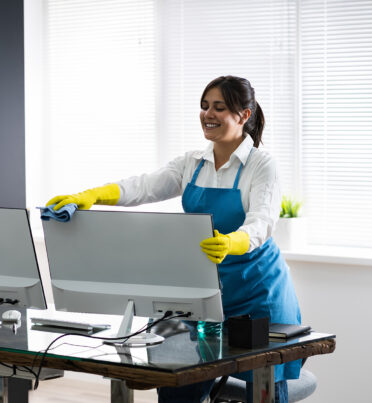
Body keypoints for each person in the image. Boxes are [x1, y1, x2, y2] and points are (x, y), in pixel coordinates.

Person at [46, 75, 301, 403]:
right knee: (179, 382)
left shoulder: (262, 165)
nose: (208, 114)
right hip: (206, 293)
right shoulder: (192, 163)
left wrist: (232, 242)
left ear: (244, 115)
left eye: (219, 108)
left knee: (262, 386)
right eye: (204, 106)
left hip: (256, 292)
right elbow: (143, 186)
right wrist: (91, 195)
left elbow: (262, 222)